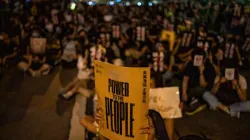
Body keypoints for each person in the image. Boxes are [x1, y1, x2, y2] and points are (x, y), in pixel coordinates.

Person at [182, 49, 216, 115]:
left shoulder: (209, 67)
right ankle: (195, 102)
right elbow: (185, 79)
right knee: (185, 95)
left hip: (204, 90)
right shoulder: (190, 64)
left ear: (204, 59)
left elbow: (203, 85)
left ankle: (198, 102)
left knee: (200, 90)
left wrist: (201, 72)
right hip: (192, 89)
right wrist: (184, 93)